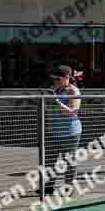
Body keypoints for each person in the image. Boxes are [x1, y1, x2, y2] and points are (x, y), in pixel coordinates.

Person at [43, 65, 81, 195]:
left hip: (70, 132)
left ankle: (68, 188)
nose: (55, 82)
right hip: (54, 130)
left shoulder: (74, 91)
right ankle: (48, 187)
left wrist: (56, 101)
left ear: (67, 77)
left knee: (69, 161)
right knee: (49, 160)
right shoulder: (55, 89)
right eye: (54, 79)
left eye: (58, 79)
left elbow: (72, 112)